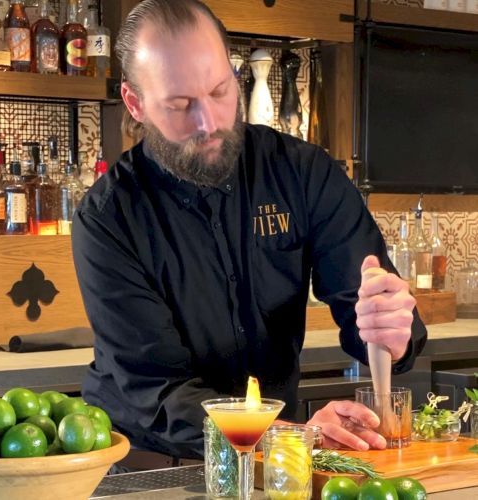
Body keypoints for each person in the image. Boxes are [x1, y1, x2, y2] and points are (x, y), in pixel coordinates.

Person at [71, 0, 427, 463]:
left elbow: (369, 309)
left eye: (220, 91)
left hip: (275, 455)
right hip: (154, 459)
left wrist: (392, 333)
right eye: (180, 106)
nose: (210, 123)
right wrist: (290, 436)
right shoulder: (107, 218)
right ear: (136, 104)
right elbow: (158, 392)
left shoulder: (303, 174)